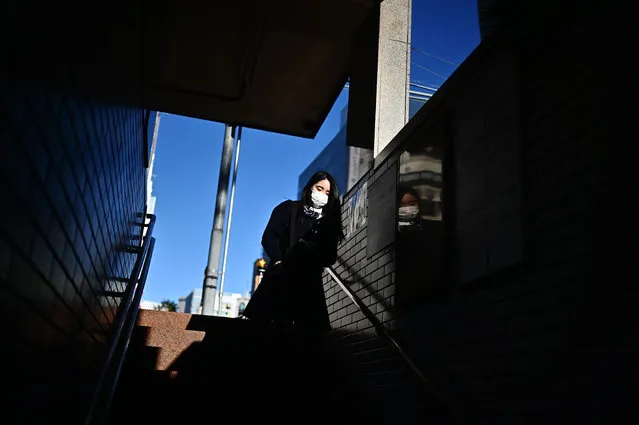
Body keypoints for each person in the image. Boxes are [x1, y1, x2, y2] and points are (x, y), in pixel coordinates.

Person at [240, 170, 344, 332]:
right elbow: (269, 236)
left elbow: (330, 256)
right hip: (281, 276)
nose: (322, 194)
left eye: (327, 192)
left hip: (309, 284)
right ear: (310, 187)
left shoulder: (328, 223)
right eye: (319, 188)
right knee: (270, 328)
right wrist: (278, 260)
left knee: (308, 335)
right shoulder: (289, 209)